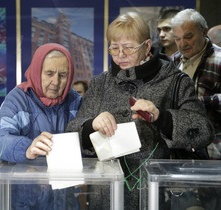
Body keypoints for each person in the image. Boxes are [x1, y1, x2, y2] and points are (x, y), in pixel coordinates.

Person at [66, 12, 214, 210]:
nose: (120, 55)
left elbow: (204, 131)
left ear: (146, 46)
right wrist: (91, 124)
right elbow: (72, 132)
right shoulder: (101, 83)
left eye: (128, 48)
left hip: (158, 194)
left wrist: (161, 117)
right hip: (107, 196)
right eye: (114, 48)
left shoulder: (175, 81)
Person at [0, 43, 82, 209]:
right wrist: (27, 148)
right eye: (49, 73)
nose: (56, 81)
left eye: (63, 75)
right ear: (37, 71)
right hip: (26, 201)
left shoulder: (74, 100)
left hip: (65, 201)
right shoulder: (19, 98)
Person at [171, 9, 221, 160]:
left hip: (213, 149)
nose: (182, 44)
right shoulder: (172, 62)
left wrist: (198, 103)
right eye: (177, 38)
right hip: (180, 149)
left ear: (204, 31)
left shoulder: (219, 60)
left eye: (188, 36)